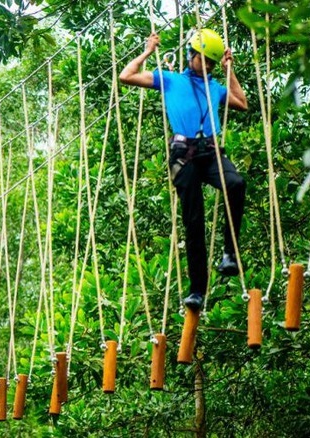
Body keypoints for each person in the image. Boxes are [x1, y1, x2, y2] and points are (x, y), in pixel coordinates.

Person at [119, 29, 248, 311]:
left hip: (210, 152)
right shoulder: (170, 80)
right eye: (206, 61)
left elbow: (242, 102)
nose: (209, 67)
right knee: (194, 222)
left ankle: (229, 253)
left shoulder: (215, 87)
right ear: (191, 56)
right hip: (185, 155)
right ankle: (197, 290)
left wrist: (229, 70)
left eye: (213, 63)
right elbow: (126, 76)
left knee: (236, 183)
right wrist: (148, 51)